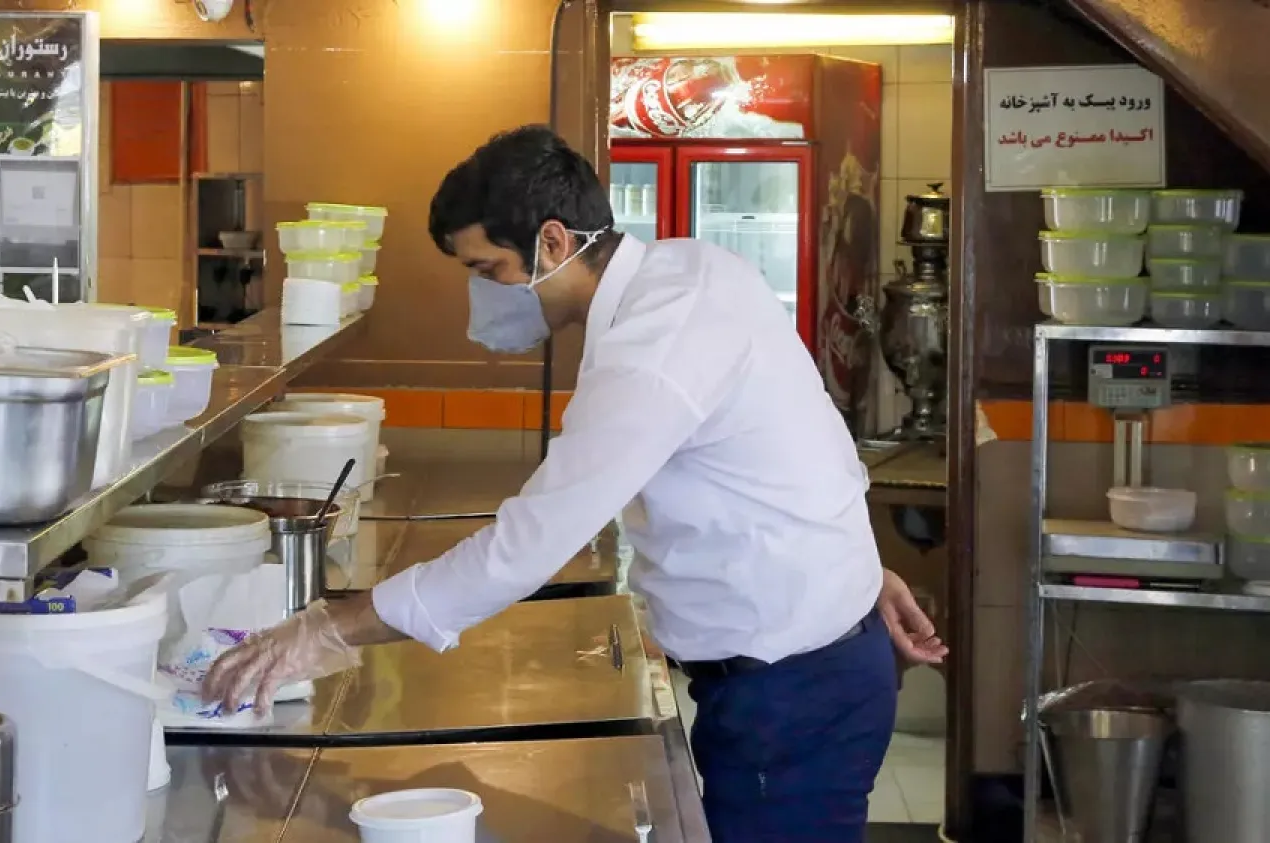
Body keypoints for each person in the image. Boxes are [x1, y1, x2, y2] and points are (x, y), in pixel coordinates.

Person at [204, 125, 947, 841]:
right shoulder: (689, 269)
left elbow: (523, 550)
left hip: (794, 693)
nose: (485, 293)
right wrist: (852, 572)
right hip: (809, 657)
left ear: (554, 243)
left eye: (486, 269)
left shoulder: (653, 344)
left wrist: (328, 629)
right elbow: (795, 450)